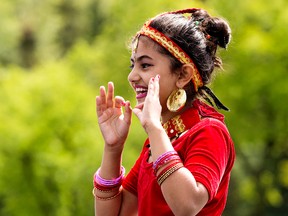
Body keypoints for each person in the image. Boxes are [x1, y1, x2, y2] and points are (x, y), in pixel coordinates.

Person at [93, 8, 235, 216]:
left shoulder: (210, 132)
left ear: (183, 74)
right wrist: (113, 148)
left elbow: (187, 206)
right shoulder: (159, 141)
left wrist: (154, 129)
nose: (132, 76)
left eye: (145, 65)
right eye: (133, 65)